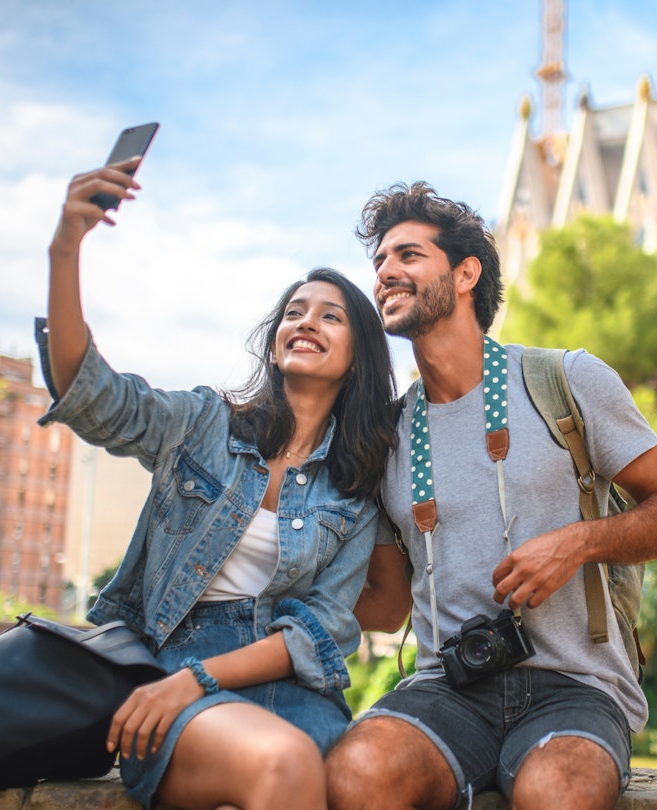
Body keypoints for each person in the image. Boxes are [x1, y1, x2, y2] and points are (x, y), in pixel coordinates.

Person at [327, 182, 657, 810]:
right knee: (357, 772)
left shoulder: (567, 379)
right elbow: (389, 604)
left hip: (578, 687)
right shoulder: (388, 437)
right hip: (446, 687)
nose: (386, 272)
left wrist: (580, 542)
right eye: (380, 262)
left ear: (467, 272)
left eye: (408, 256)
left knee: (557, 790)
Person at [39, 157, 397, 810]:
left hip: (290, 686)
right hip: (167, 677)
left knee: (355, 781)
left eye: (331, 316)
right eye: (295, 311)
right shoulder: (203, 425)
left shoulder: (355, 486)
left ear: (359, 357)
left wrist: (206, 678)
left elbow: (317, 631)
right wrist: (66, 247)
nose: (307, 321)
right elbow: (91, 396)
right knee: (285, 766)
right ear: (275, 340)